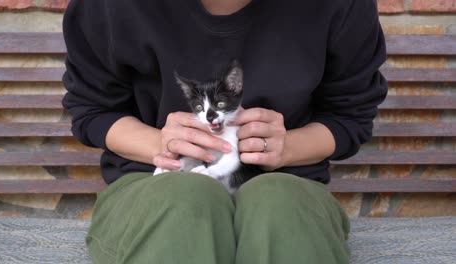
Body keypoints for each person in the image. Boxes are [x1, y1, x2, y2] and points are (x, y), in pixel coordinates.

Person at [62, 0, 387, 263]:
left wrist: (287, 147)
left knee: (280, 205)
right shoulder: (109, 6)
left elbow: (350, 116)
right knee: (183, 197)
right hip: (152, 186)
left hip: (291, 190)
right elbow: (94, 110)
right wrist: (163, 143)